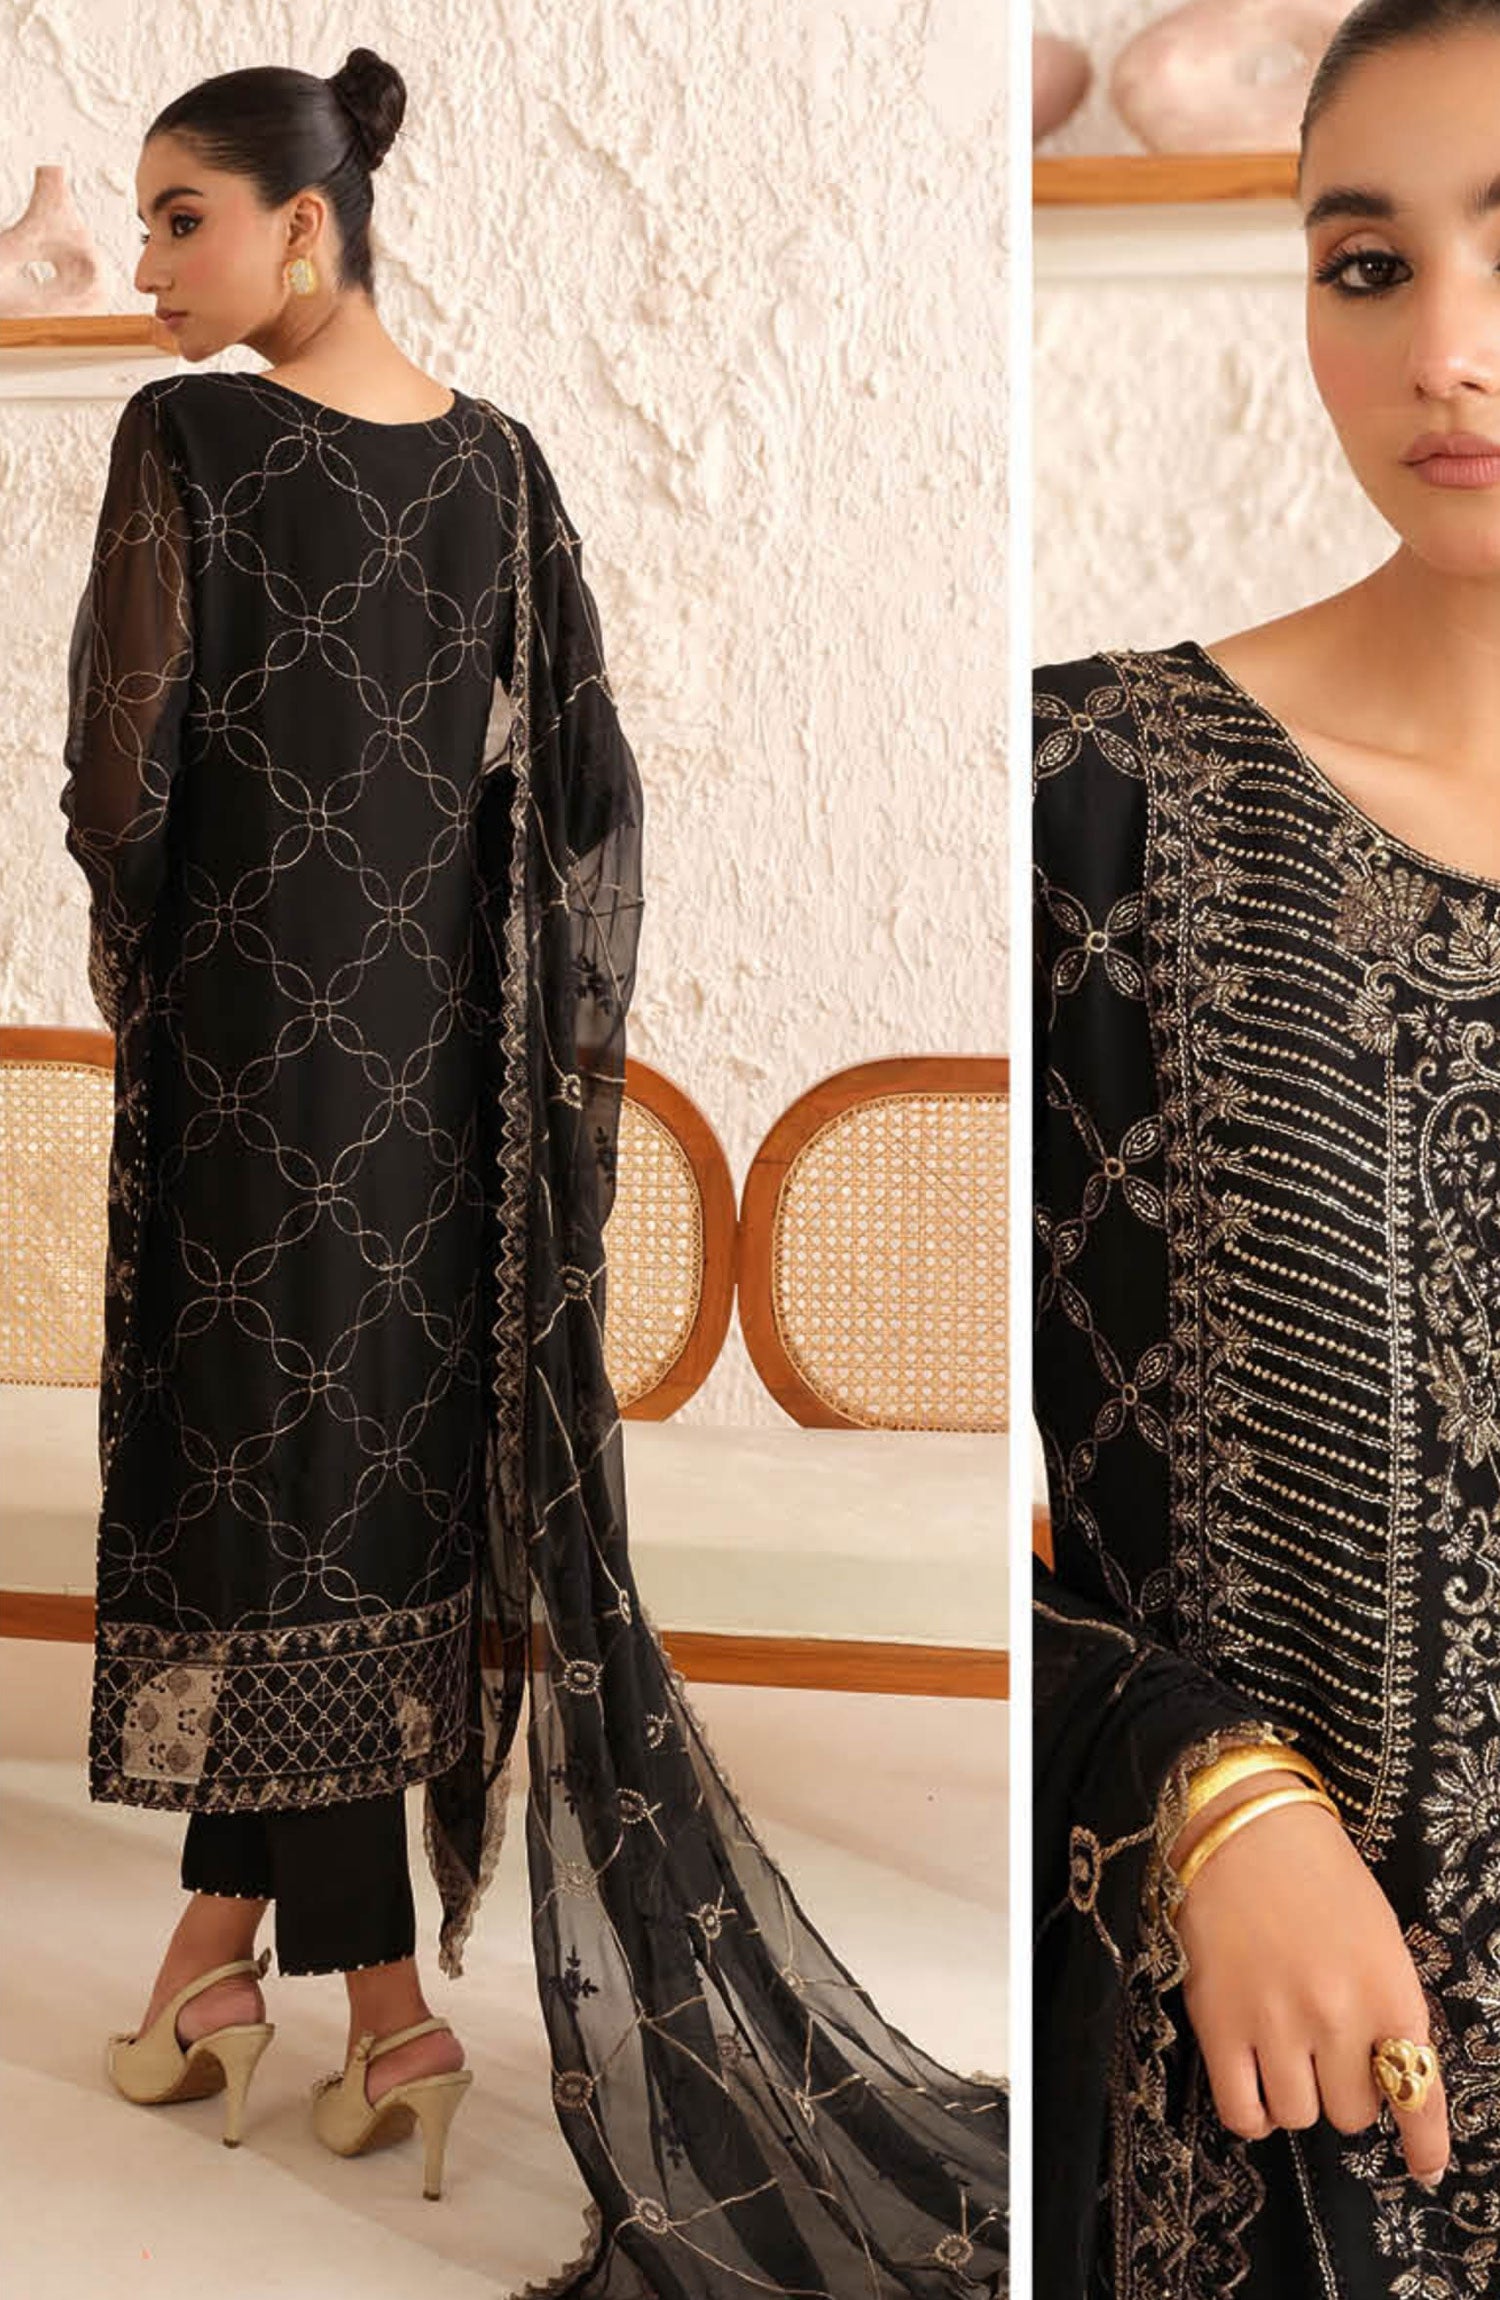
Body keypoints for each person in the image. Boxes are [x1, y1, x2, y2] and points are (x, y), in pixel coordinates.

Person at [64, 48, 1008, 2296]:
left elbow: (121, 782)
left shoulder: (187, 443)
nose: (150, 263)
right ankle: (215, 1961)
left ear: (307, 226)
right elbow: (581, 800)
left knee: (271, 1497)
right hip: (441, 1112)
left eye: (183, 216)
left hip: (252, 1076)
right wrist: (516, 1067)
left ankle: (386, 2008)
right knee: (354, 1505)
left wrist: (162, 971)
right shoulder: (503, 470)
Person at [1033, 4, 1500, 2292]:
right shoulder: (1092, 807)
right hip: (1286, 2169)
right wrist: (1194, 1785)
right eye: (1367, 264)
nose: (1448, 352)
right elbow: (968, 1525)